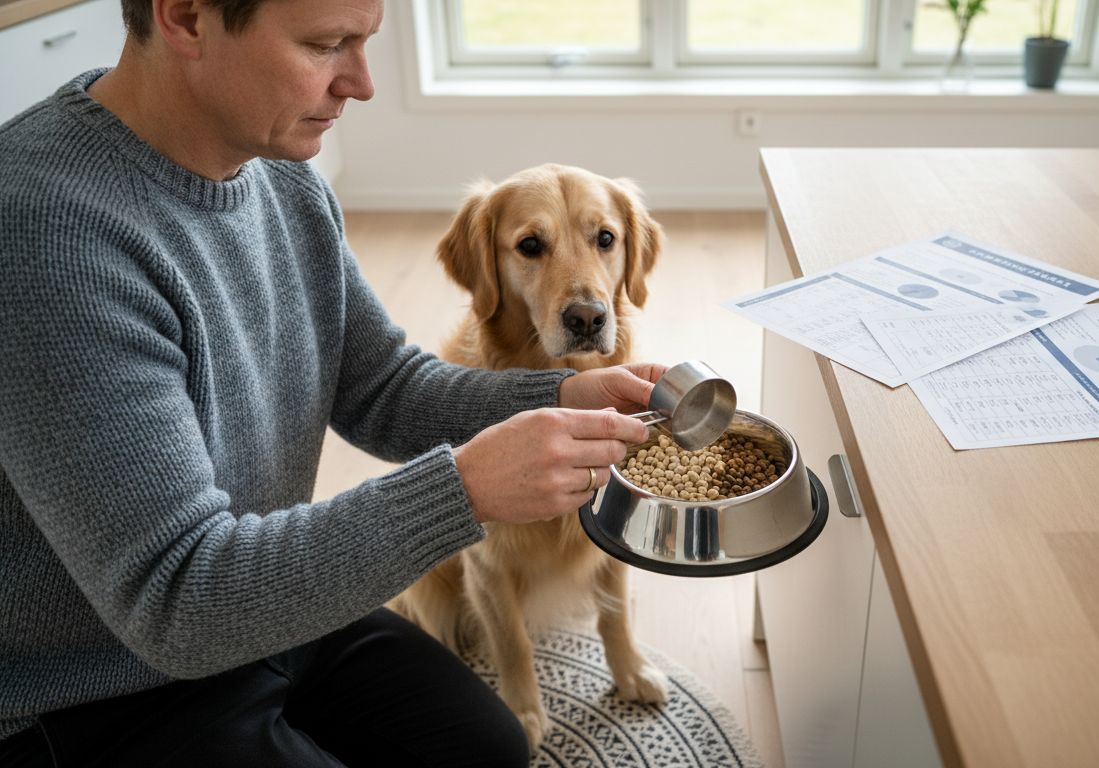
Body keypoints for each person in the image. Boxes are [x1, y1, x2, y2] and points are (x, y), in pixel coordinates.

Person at [0, 0, 662, 764]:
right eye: (326, 45)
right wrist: (466, 490)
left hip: (265, 599)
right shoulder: (45, 237)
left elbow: (382, 386)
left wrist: (561, 396)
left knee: (489, 749)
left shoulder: (281, 178)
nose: (363, 83)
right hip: (97, 691)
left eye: (365, 42)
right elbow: (179, 599)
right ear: (185, 17)